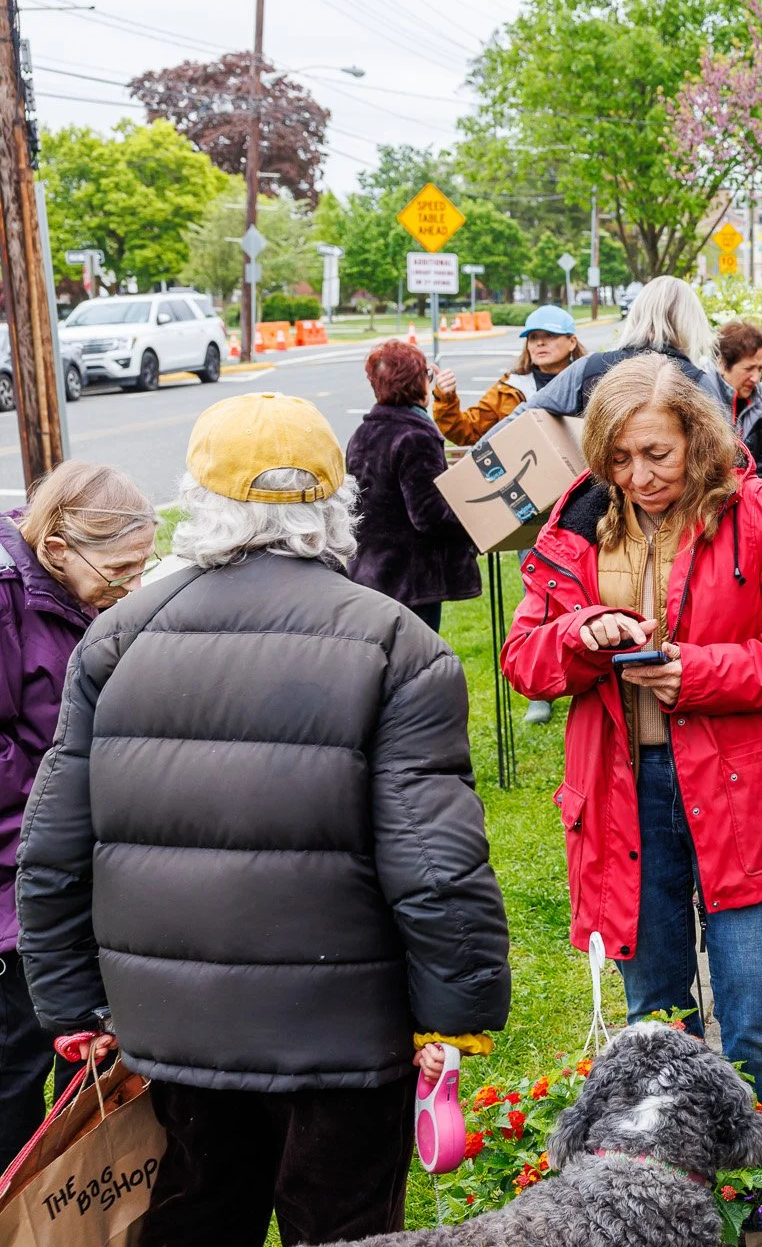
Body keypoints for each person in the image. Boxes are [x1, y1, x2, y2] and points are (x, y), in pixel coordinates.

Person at [17, 392, 511, 1247]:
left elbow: (54, 844)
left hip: (171, 1027)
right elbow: (434, 864)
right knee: (344, 1226)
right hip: (347, 1036)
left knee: (198, 1214)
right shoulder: (399, 646)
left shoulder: (117, 640)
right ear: (334, 500)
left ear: (200, 499)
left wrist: (71, 1005)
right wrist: (455, 1013)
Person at [500, 356, 762, 1247]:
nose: (639, 476)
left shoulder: (758, 515)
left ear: (698, 437)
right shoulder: (577, 524)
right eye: (619, 458)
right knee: (656, 1013)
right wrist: (585, 633)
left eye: (655, 453)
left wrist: (699, 672)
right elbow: (523, 657)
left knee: (760, 1011)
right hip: (627, 797)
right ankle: (673, 1208)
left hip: (744, 794)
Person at [0, 461, 152, 1160]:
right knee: (13, 1073)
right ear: (58, 549)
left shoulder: (76, 596)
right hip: (14, 890)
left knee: (87, 1063)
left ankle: (71, 1207)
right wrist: (71, 785)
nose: (129, 585)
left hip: (80, 872)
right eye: (120, 568)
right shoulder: (6, 599)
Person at [347, 339, 479, 631]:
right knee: (413, 665)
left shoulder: (363, 433)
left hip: (368, 573)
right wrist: (477, 521)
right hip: (409, 579)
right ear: (418, 383)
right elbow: (429, 515)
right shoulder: (415, 436)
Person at [505, 276, 714, 427]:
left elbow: (524, 416)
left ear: (636, 314)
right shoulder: (697, 381)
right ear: (691, 322)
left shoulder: (589, 368)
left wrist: (478, 461)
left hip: (591, 487)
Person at [432, 304, 586, 446]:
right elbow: (467, 430)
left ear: (572, 342)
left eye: (550, 335)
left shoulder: (592, 382)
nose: (540, 342)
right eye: (533, 337)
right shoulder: (509, 389)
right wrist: (446, 399)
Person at [707, 320, 762, 480]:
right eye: (749, 369)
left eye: (760, 369)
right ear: (722, 364)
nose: (756, 378)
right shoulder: (702, 398)